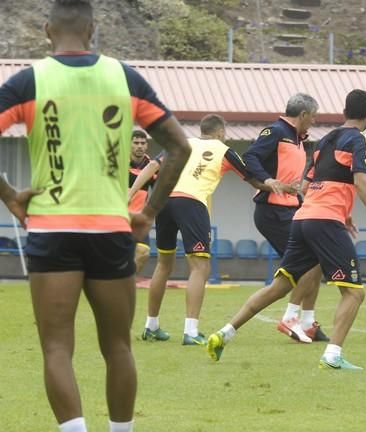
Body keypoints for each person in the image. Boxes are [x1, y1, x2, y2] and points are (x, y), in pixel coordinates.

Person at [0, 1, 191, 431]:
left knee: (56, 348)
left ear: (48, 30)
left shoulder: (29, 82)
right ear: (92, 30)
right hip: (110, 228)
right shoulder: (125, 78)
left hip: (52, 228)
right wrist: (147, 212)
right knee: (119, 346)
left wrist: (12, 196)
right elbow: (179, 147)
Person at [207, 89, 366, 370]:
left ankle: (224, 333)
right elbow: (360, 180)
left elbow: (310, 184)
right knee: (354, 292)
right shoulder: (361, 140)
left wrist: (343, 214)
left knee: (280, 286)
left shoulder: (323, 141)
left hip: (303, 217)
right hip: (324, 220)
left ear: (344, 112)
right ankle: (332, 356)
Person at [136, 114, 271, 346]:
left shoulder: (183, 143)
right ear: (221, 133)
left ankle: (151, 326)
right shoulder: (224, 150)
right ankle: (190, 331)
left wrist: (130, 194)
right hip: (192, 202)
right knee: (200, 266)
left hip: (164, 200)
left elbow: (152, 166)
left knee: (163, 264)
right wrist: (273, 185)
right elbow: (254, 179)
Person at [242, 93, 328, 343]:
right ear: (303, 115)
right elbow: (250, 157)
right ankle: (291, 317)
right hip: (273, 211)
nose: (314, 121)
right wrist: (267, 180)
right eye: (313, 116)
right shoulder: (276, 131)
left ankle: (308, 321)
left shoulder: (298, 139)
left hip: (290, 209)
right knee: (306, 264)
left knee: (316, 261)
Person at [128, 130, 155, 273]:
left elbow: (157, 191)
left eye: (142, 143)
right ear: (130, 145)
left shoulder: (152, 167)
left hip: (139, 219)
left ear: (146, 146)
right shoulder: (120, 164)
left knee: (143, 252)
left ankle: (128, 281)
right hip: (120, 217)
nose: (139, 146)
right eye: (136, 143)